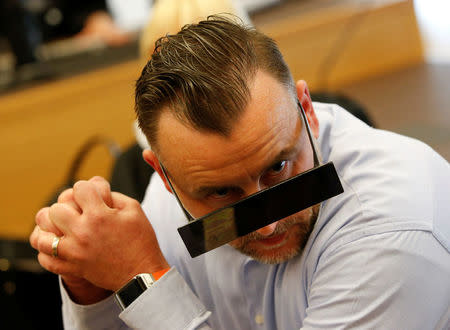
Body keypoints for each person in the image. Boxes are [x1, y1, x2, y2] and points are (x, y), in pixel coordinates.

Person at [29, 16, 450, 329]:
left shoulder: (390, 227)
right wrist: (94, 287)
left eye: (279, 168)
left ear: (307, 110)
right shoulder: (169, 195)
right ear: (164, 173)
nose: (268, 224)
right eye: (221, 193)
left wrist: (143, 280)